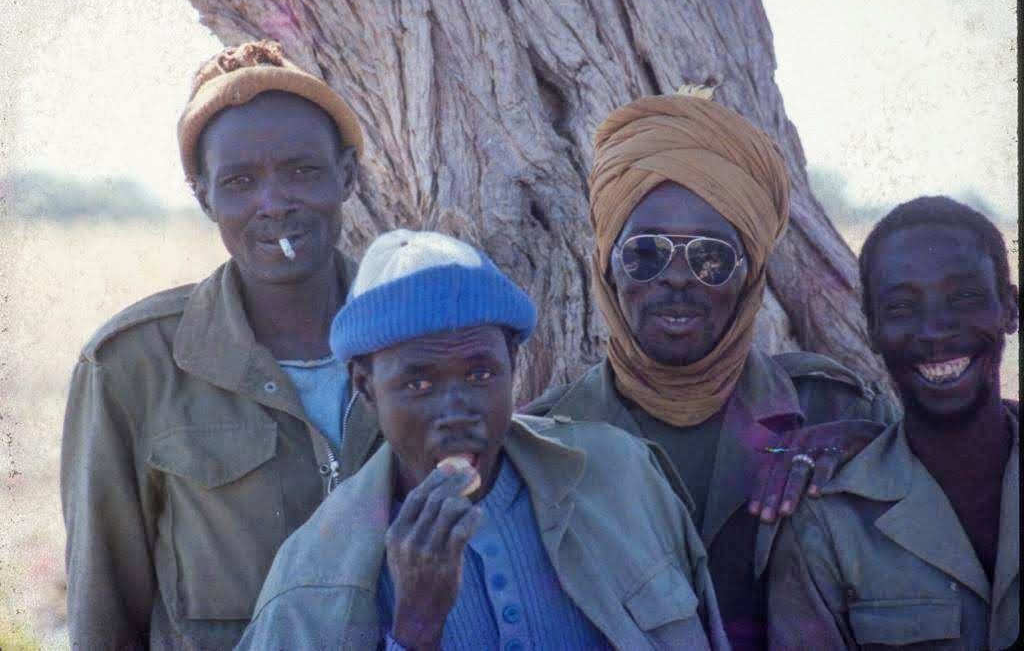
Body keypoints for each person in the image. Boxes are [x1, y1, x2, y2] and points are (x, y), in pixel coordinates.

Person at [521, 88, 896, 649]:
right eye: (646, 253)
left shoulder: (836, 415)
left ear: (749, 277)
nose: (676, 278)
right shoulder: (541, 448)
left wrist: (870, 451)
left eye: (711, 257)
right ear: (607, 264)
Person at [237, 229, 729, 650]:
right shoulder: (312, 577)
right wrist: (415, 628)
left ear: (513, 363)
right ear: (366, 387)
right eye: (419, 384)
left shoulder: (620, 477)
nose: (456, 412)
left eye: (479, 374)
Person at [60, 41, 382, 649]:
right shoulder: (132, 365)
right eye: (239, 182)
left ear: (346, 175)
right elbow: (104, 606)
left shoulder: (417, 337)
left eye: (303, 171)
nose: (275, 202)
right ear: (204, 197)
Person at [767, 196, 1019, 650]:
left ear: (1010, 309)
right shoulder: (826, 522)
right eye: (902, 307)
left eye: (963, 297)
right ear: (872, 331)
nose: (934, 330)